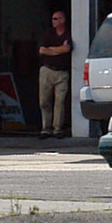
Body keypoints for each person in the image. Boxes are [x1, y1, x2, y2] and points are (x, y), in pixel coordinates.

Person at [36, 11, 73, 139]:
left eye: (56, 18)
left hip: (62, 72)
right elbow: (42, 50)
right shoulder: (48, 33)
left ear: (63, 20)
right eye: (52, 18)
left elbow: (67, 49)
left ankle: (57, 129)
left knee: (60, 101)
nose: (53, 21)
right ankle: (46, 128)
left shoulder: (69, 33)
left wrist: (51, 50)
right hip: (47, 71)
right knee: (44, 101)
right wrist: (59, 49)